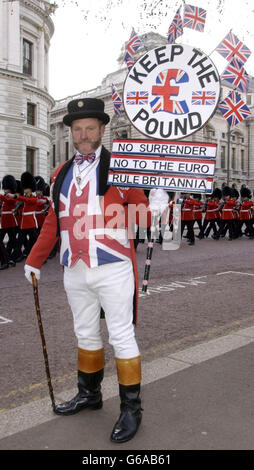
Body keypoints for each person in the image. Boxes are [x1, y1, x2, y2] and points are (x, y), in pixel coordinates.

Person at [23, 98, 156, 444]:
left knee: (121, 336)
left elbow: (140, 216)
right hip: (75, 269)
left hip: (112, 267)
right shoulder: (60, 173)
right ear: (71, 132)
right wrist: (34, 260)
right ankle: (90, 394)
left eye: (90, 128)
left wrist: (152, 205)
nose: (83, 135)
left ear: (101, 130)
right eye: (77, 129)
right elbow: (54, 220)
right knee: (84, 332)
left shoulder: (121, 168)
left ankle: (131, 409)